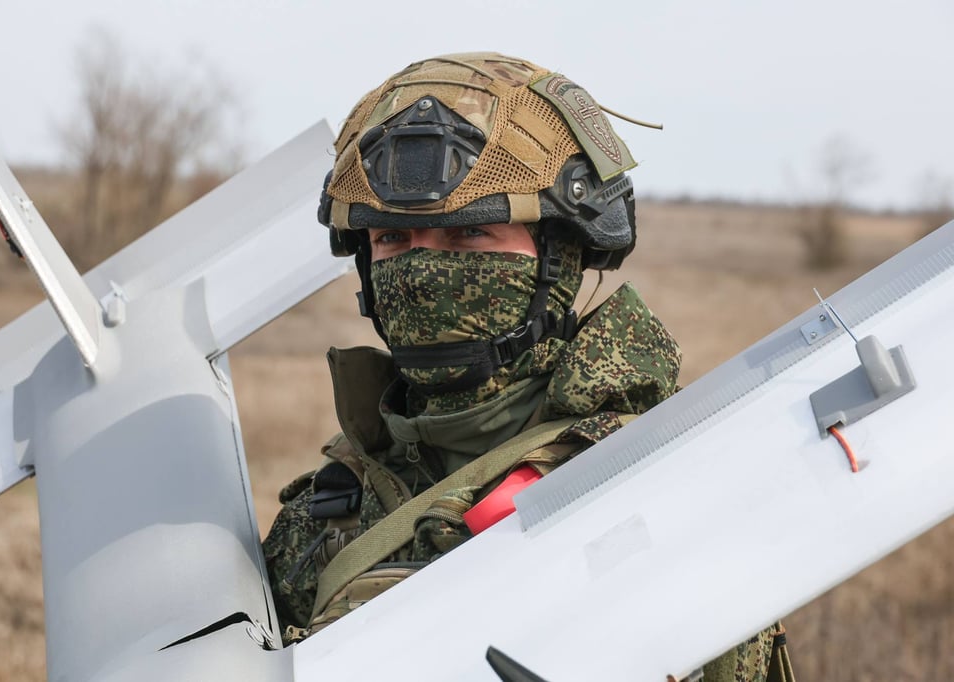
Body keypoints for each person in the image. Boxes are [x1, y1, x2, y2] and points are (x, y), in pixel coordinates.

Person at [262, 52, 795, 681]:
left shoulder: (658, 485)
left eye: (469, 234)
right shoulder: (324, 516)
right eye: (392, 239)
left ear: (558, 257)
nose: (422, 269)